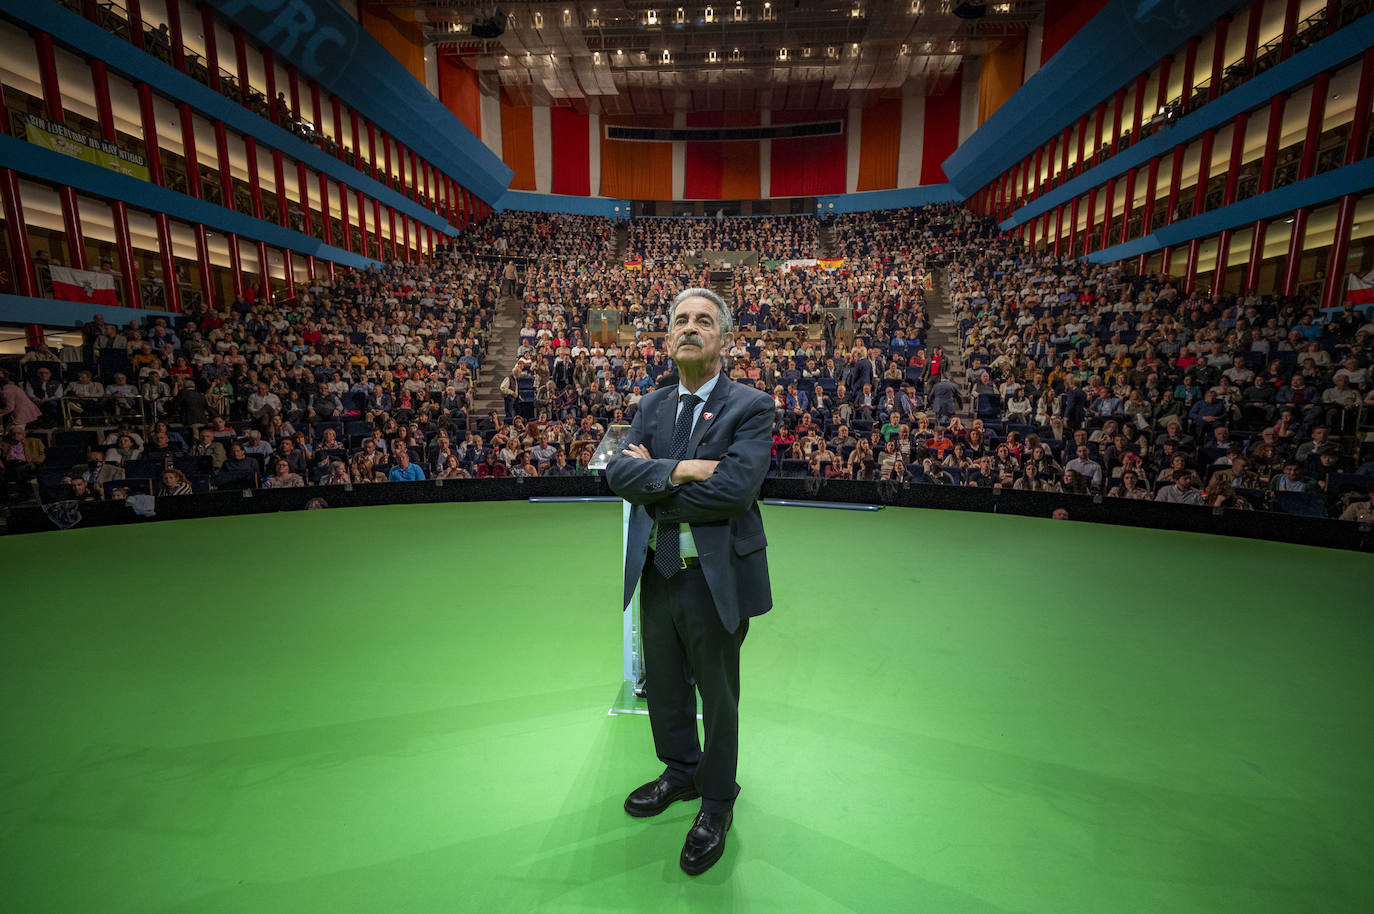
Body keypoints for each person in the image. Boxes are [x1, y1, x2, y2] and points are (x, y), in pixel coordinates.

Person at [605, 287, 774, 876]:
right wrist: (681, 468)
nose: (690, 327)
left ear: (723, 339)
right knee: (668, 687)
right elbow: (617, 474)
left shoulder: (751, 405)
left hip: (713, 577)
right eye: (681, 320)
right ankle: (680, 772)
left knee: (717, 693)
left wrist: (656, 487)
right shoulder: (651, 405)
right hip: (658, 571)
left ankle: (717, 801)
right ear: (667, 336)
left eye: (704, 320)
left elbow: (734, 490)